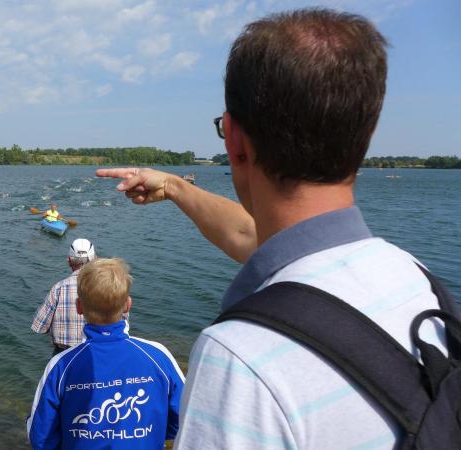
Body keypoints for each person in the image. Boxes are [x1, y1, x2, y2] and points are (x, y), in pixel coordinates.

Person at [98, 8, 450, 449]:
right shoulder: (420, 283)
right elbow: (254, 238)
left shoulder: (241, 360)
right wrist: (173, 186)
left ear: (234, 140)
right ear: (367, 131)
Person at [27, 258, 184, 450]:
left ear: (79, 307)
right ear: (128, 305)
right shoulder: (158, 356)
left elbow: (40, 437)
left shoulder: (61, 366)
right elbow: (184, 418)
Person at [32, 238, 99, 354]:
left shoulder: (58, 289)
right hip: (95, 353)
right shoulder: (106, 287)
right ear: (95, 260)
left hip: (63, 354)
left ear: (69, 261)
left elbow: (40, 327)